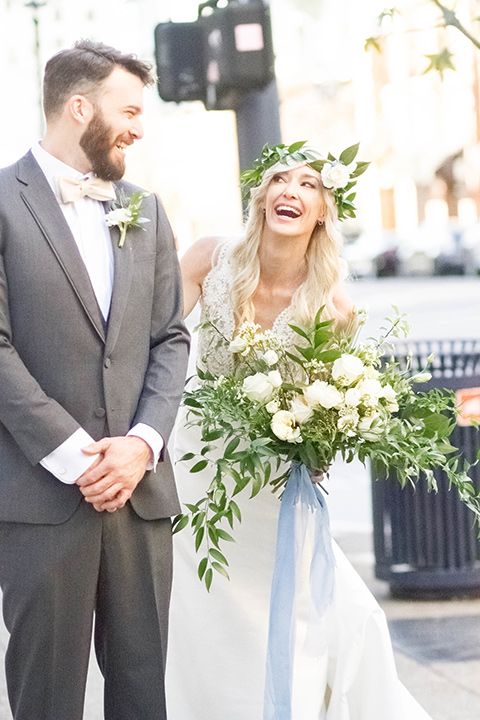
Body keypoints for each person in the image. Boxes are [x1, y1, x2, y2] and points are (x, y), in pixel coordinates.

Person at [166, 144, 432, 719]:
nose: (291, 190)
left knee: (298, 606)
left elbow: (330, 396)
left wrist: (326, 436)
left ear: (322, 211)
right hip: (197, 463)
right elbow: (154, 344)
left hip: (273, 477)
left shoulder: (333, 306)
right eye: (279, 179)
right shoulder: (206, 259)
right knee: (200, 607)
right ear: (261, 198)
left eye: (309, 184)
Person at [0, 40, 189, 720]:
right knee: (46, 697)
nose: (138, 128)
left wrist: (139, 446)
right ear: (80, 107)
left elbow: (169, 337)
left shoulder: (146, 210)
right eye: (129, 110)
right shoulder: (1, 203)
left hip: (139, 500)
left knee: (143, 695)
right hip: (42, 500)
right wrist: (82, 459)